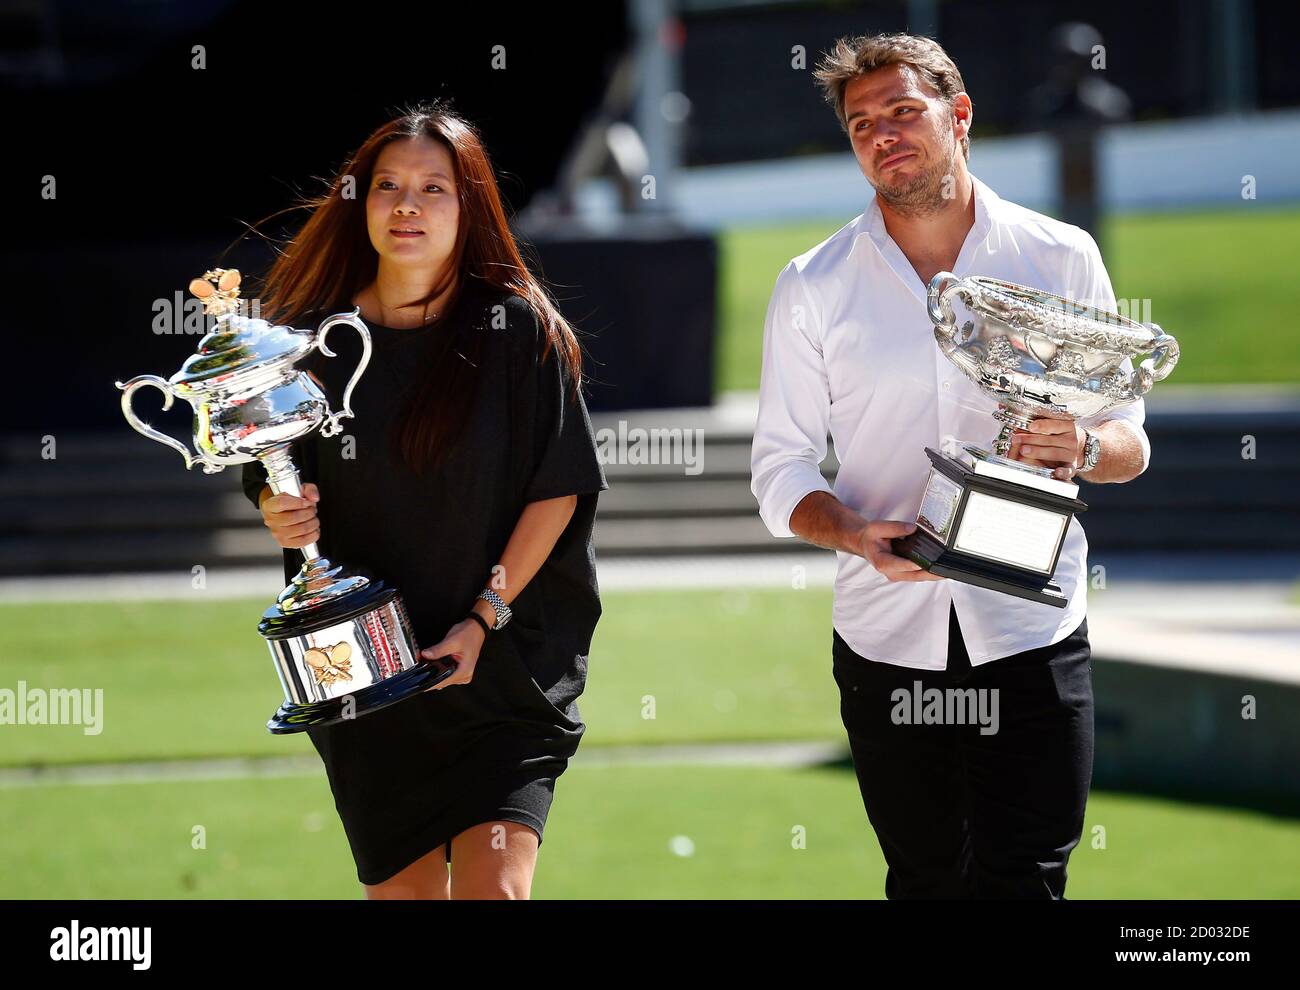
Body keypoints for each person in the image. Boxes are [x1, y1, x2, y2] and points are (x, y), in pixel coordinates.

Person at [749, 33, 1151, 899]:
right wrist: (854, 534)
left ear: (958, 116)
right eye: (863, 125)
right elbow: (780, 472)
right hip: (886, 637)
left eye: (903, 111)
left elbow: (1129, 438)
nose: (884, 135)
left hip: (1032, 630)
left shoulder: (1059, 255)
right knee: (925, 882)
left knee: (1029, 881)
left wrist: (1082, 447)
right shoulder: (813, 283)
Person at [240, 101, 607, 899]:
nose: (408, 206)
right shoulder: (305, 346)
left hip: (501, 669)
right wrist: (281, 511)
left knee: (494, 893)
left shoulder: (520, 332)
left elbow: (560, 489)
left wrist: (483, 618)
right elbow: (274, 480)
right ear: (360, 202)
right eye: (388, 187)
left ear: (470, 205)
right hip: (364, 674)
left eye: (435, 188)